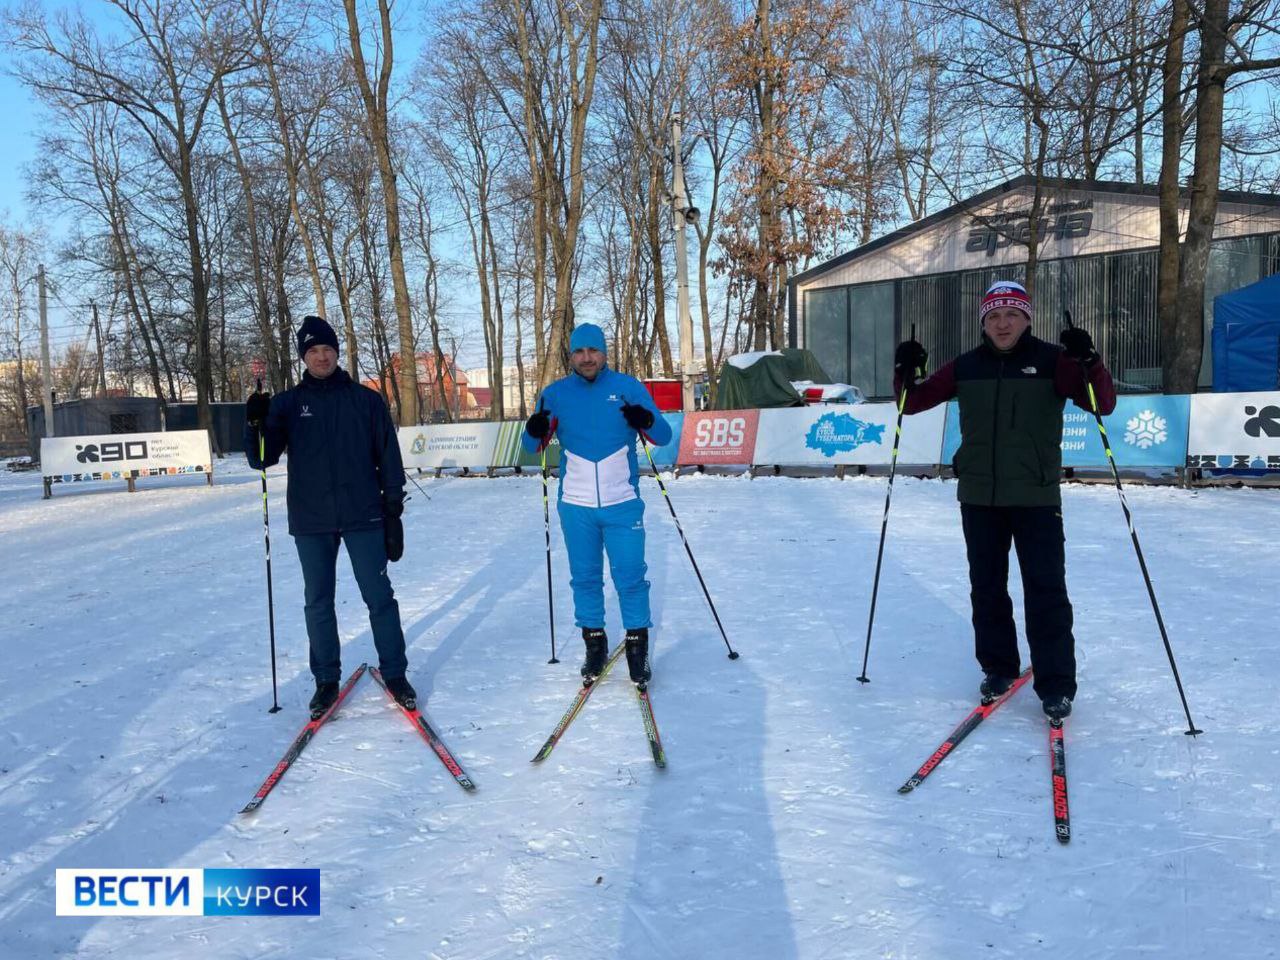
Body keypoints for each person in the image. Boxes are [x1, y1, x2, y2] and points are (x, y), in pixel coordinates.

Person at [892, 280, 1116, 720]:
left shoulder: (1054, 360)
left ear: (1027, 318)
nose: (1002, 323)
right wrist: (905, 367)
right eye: (993, 316)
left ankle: (1055, 685)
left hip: (1035, 495)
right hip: (979, 495)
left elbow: (1101, 403)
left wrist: (1089, 360)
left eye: (1011, 314)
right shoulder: (966, 366)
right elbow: (910, 403)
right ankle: (998, 667)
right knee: (987, 587)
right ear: (984, 323)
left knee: (1046, 590)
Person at [245, 315, 416, 718]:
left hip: (364, 516)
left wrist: (393, 511)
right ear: (303, 357)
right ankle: (326, 680)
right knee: (318, 602)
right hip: (312, 519)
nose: (321, 356)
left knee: (379, 597)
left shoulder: (366, 401)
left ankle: (396, 673)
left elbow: (389, 458)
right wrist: (254, 422)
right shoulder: (287, 404)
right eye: (313, 350)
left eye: (327, 349)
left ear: (337, 352)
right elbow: (261, 458)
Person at [522, 323, 672, 687]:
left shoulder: (627, 388)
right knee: (585, 578)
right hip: (576, 506)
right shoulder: (555, 394)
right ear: (570, 355)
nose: (587, 358)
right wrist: (533, 427)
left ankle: (637, 647)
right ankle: (595, 644)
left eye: (593, 351)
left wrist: (645, 419)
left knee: (631, 576)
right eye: (579, 352)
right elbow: (532, 449)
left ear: (605, 353)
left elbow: (663, 436)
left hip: (622, 503)